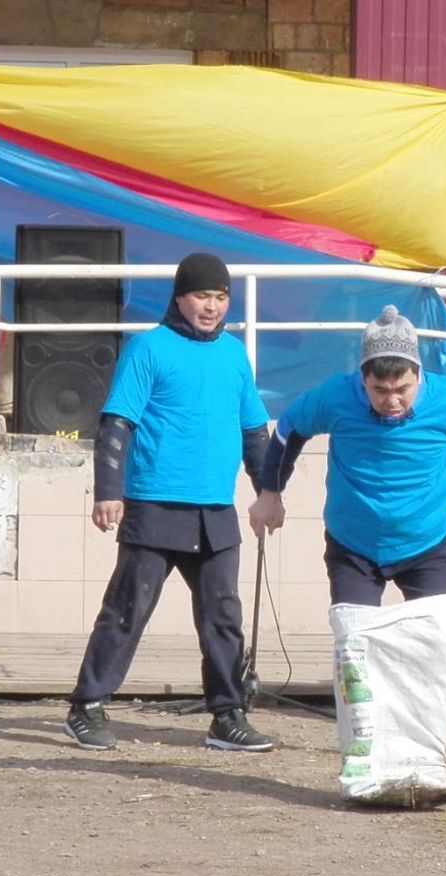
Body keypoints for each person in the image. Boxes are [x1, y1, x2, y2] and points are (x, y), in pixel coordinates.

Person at [63, 252, 276, 753]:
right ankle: (86, 706)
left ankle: (227, 714)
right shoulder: (148, 349)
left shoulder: (233, 355)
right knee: (126, 610)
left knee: (224, 615)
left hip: (214, 511)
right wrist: (109, 491)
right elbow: (116, 425)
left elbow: (255, 433)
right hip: (154, 504)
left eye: (221, 297)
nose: (212, 306)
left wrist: (270, 493)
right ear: (180, 297)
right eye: (203, 295)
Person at [250, 305, 446, 604]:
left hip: (427, 542)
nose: (392, 400)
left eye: (402, 389)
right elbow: (288, 430)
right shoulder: (335, 397)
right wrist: (270, 493)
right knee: (355, 645)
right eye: (380, 390)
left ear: (418, 374)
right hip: (353, 543)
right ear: (362, 379)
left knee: (433, 645)